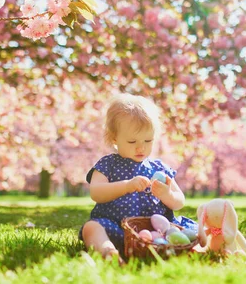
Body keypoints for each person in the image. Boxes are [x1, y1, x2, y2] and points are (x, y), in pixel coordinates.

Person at [79, 93, 196, 262]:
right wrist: (126, 185)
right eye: (132, 142)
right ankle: (108, 251)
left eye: (148, 141)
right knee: (91, 227)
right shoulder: (108, 164)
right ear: (114, 138)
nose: (141, 147)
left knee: (191, 231)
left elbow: (179, 201)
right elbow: (96, 192)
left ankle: (207, 248)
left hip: (160, 234)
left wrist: (167, 195)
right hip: (119, 230)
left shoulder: (159, 168)